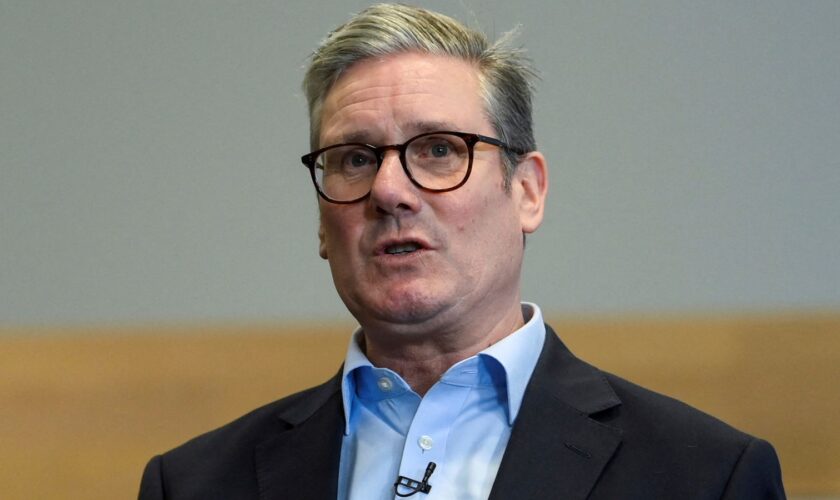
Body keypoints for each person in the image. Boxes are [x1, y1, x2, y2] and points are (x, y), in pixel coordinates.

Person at [138, 4, 785, 499]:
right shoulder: (193, 484)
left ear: (527, 191)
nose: (389, 190)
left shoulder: (707, 476)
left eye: (439, 150)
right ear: (320, 217)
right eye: (355, 159)